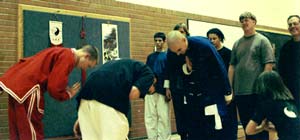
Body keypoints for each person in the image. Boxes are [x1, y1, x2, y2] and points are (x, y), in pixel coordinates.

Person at [0, 45, 99, 140]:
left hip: (15, 87)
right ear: (86, 56)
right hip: (29, 89)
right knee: (31, 131)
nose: (85, 69)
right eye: (88, 65)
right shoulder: (68, 57)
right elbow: (54, 88)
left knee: (17, 130)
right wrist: (67, 94)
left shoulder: (59, 51)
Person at [167, 30, 232, 140]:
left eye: (179, 50)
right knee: (194, 128)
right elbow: (173, 71)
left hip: (211, 92)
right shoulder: (173, 52)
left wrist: (227, 92)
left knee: (213, 128)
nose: (178, 54)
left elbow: (220, 68)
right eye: (175, 52)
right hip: (191, 94)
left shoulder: (204, 46)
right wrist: (185, 69)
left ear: (184, 40)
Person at [73, 59, 156, 140]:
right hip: (108, 98)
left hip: (85, 97)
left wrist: (82, 117)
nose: (145, 93)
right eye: (148, 92)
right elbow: (133, 93)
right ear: (154, 82)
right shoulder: (149, 74)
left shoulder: (121, 64)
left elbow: (97, 90)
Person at [228, 12, 275, 140]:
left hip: (256, 92)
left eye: (247, 19)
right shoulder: (237, 43)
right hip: (240, 93)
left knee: (259, 128)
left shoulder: (262, 41)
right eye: (241, 20)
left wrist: (263, 87)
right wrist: (230, 88)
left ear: (254, 22)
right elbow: (232, 66)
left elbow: (268, 64)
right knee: (246, 127)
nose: (244, 22)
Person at [246, 71, 300, 140]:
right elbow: (291, 129)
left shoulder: (266, 104)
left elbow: (249, 130)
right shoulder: (290, 101)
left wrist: (262, 128)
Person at [207, 28, 237, 140]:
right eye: (209, 39)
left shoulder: (228, 53)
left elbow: (232, 73)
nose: (212, 41)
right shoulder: (208, 54)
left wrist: (230, 91)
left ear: (220, 38)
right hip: (214, 92)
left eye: (214, 38)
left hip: (227, 90)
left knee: (229, 118)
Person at [164, 23, 190, 140]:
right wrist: (167, 87)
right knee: (179, 114)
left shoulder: (191, 47)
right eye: (178, 31)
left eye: (182, 31)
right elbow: (168, 69)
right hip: (176, 85)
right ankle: (183, 136)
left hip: (191, 86)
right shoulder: (171, 50)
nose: (180, 33)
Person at [144, 32, 171, 140]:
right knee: (150, 116)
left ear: (164, 41)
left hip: (162, 89)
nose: (157, 42)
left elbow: (169, 73)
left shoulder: (168, 56)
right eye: (156, 40)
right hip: (150, 89)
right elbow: (146, 72)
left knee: (163, 117)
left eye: (160, 40)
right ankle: (152, 138)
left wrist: (168, 88)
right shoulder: (150, 57)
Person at [278, 15, 300, 110]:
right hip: (291, 91)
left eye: (295, 23)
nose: (292, 26)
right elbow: (281, 70)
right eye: (290, 24)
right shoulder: (285, 47)